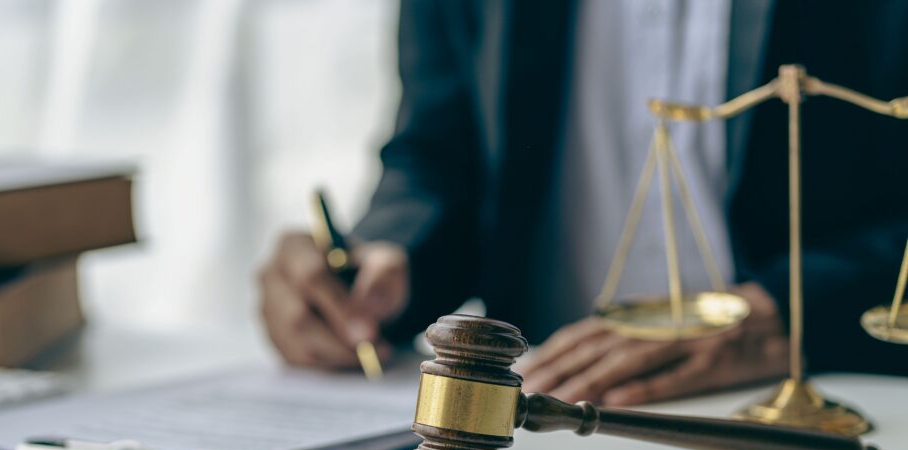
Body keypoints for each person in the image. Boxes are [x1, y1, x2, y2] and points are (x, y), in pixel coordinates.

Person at [259, 1, 908, 405]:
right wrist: (381, 260)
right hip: (544, 420)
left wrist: (798, 311)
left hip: (819, 411)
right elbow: (438, 150)